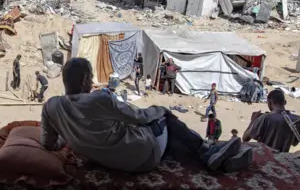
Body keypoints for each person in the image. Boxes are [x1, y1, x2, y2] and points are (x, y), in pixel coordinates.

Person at [40, 57, 251, 174]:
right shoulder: (100, 98)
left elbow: (49, 144)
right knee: (164, 119)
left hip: (105, 160)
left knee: (169, 140)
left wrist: (71, 139)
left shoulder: (50, 106)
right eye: (91, 76)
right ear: (86, 78)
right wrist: (160, 109)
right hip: (140, 158)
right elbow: (139, 117)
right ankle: (207, 151)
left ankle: (222, 162)